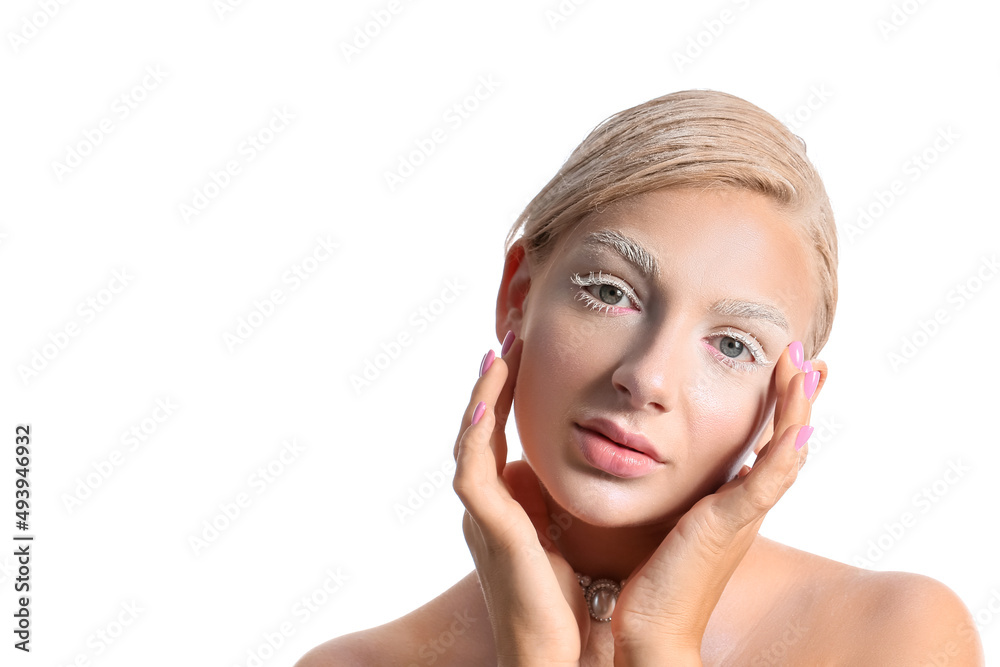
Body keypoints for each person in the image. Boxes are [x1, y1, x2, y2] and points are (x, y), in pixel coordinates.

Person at [294, 90, 985, 666]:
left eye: (733, 344)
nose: (647, 377)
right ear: (519, 292)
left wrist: (663, 642)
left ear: (789, 402)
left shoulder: (899, 637)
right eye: (610, 292)